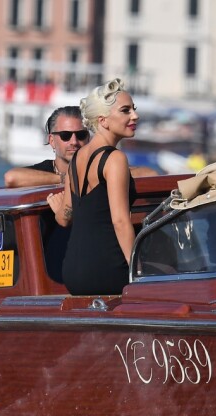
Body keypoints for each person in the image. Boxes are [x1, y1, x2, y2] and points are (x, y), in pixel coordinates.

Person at [48, 78, 138, 295]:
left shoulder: (77, 157)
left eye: (134, 109)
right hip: (107, 269)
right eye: (125, 111)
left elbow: (63, 218)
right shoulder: (115, 159)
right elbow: (120, 221)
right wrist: (138, 270)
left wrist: (56, 205)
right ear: (103, 120)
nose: (135, 116)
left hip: (72, 273)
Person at [4, 106, 90, 187]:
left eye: (81, 135)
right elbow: (11, 178)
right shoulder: (43, 171)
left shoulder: (99, 171)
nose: (74, 142)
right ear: (52, 141)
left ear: (88, 138)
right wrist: (64, 179)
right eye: (65, 135)